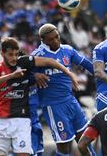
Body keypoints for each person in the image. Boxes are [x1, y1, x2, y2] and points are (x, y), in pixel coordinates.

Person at [0, 37, 78, 156]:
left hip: (23, 120)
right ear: (2, 53)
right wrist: (12, 76)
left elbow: (49, 61)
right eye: (10, 55)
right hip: (2, 121)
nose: (14, 58)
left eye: (16, 54)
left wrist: (69, 73)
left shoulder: (24, 63)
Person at [31, 23, 96, 156]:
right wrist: (34, 75)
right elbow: (22, 74)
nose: (55, 41)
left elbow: (87, 64)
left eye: (57, 37)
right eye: (51, 39)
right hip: (53, 106)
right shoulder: (37, 55)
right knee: (64, 146)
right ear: (42, 40)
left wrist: (104, 74)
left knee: (84, 141)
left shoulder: (68, 50)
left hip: (71, 101)